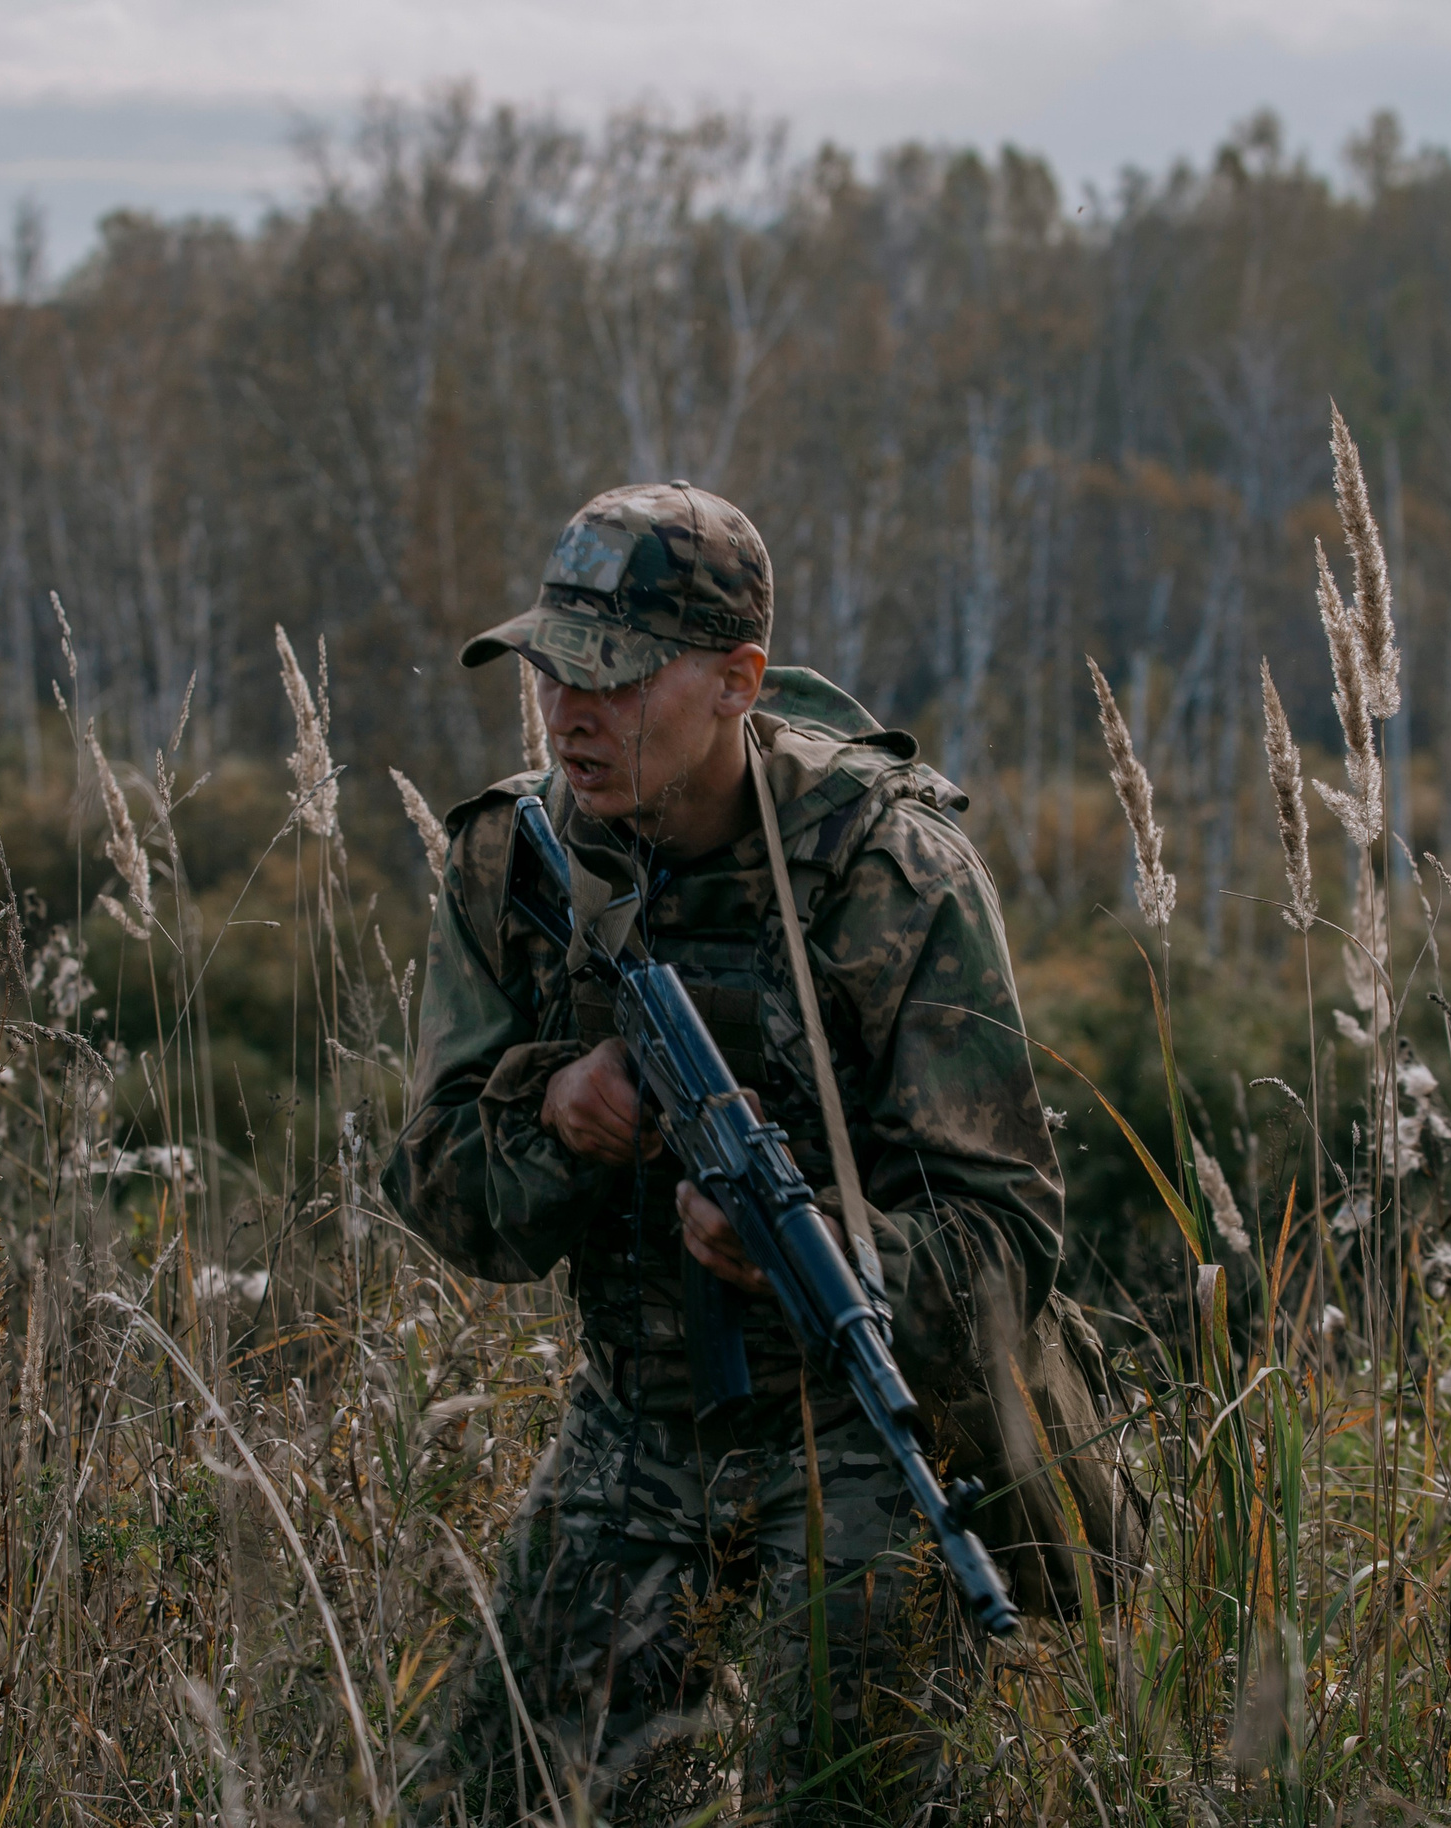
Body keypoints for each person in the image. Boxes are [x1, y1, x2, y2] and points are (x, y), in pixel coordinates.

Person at [382, 480, 1064, 1823]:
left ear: (740, 681)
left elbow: (1009, 1239)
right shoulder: (510, 865)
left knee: (844, 1800)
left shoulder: (891, 873)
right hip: (638, 1420)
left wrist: (813, 1247)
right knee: (487, 1804)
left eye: (617, 680)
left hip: (857, 1428)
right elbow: (441, 1190)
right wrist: (557, 1123)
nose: (568, 715)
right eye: (547, 674)